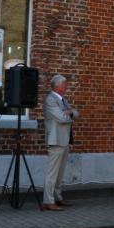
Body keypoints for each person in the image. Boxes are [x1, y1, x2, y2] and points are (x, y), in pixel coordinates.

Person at [42, 74, 80, 212]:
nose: (66, 87)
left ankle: (57, 197)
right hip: (56, 140)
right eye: (64, 84)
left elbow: (76, 114)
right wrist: (69, 114)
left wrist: (69, 113)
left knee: (60, 173)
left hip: (64, 140)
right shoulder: (50, 100)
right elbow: (62, 118)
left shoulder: (63, 100)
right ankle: (48, 201)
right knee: (52, 173)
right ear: (57, 86)